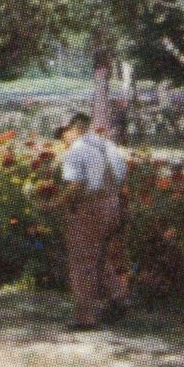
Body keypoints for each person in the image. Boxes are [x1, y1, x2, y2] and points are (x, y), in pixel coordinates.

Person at [58, 111, 130, 330]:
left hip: (90, 207)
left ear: (74, 129)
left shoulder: (77, 151)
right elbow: (122, 176)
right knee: (100, 257)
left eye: (63, 134)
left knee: (82, 263)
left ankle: (86, 318)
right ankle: (118, 298)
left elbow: (76, 186)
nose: (62, 139)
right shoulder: (107, 146)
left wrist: (56, 204)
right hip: (112, 204)